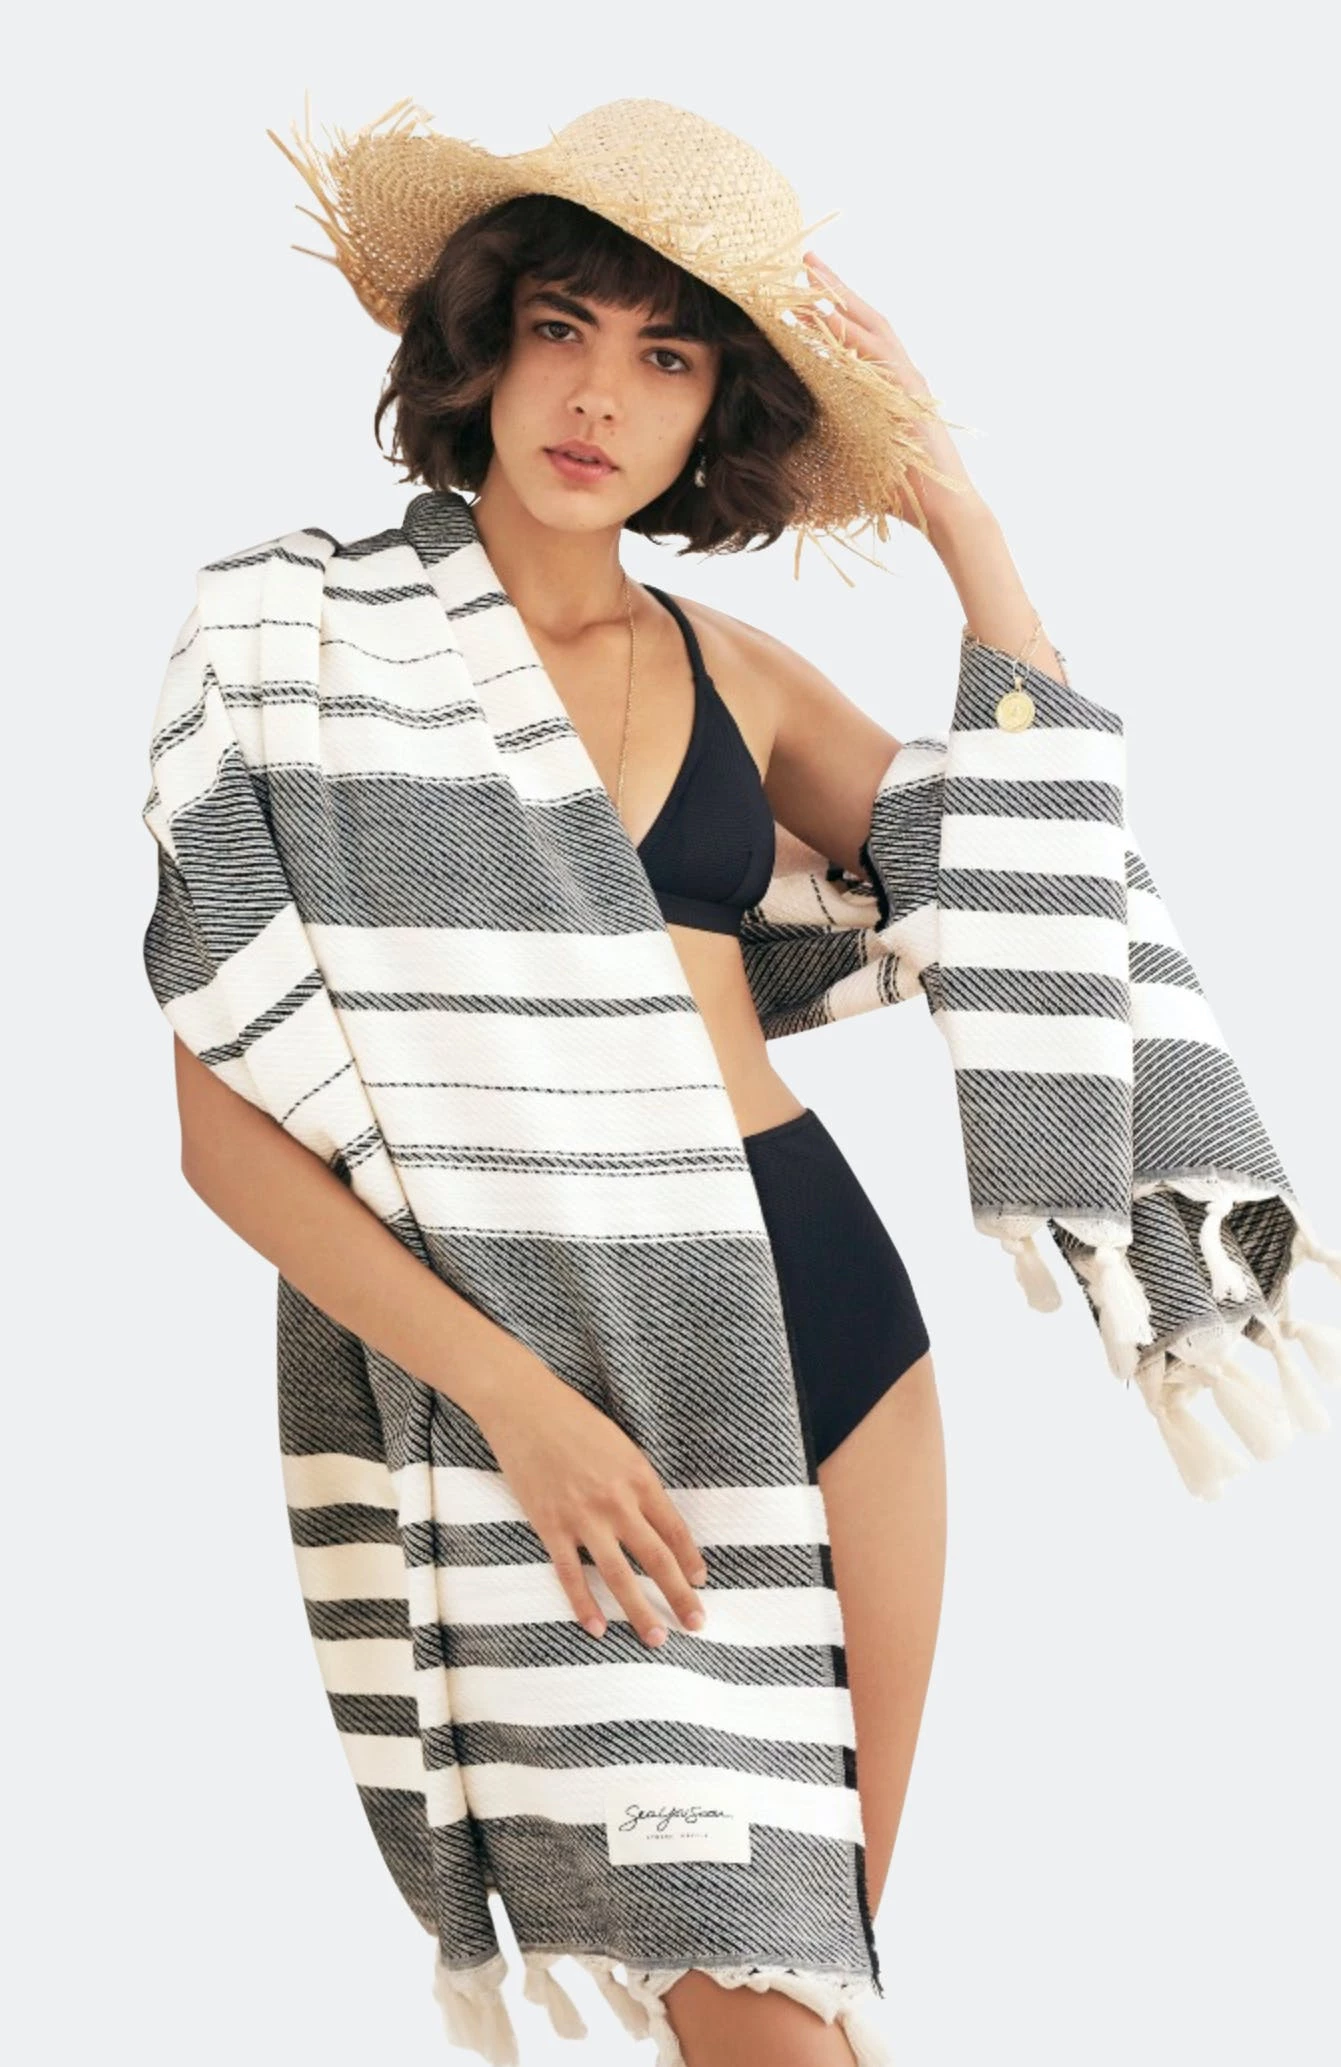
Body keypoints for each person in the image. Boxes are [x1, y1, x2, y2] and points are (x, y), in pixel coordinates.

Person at [153, 98, 1093, 2067]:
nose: (598, 396)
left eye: (666, 358)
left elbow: (1028, 891)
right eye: (562, 327)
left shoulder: (730, 669)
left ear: (711, 417)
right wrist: (520, 1405)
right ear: (482, 345)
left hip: (827, 1323)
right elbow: (222, 1132)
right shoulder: (292, 640)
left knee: (799, 1997)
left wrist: (965, 528)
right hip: (548, 1364)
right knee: (751, 2002)